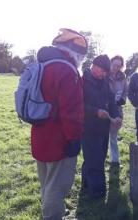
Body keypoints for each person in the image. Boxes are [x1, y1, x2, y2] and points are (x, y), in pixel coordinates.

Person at [31, 28, 88, 220]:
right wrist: (74, 139)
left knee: (46, 182)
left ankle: (50, 212)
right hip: (59, 138)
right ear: (75, 52)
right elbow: (71, 111)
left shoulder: (42, 64)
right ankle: (53, 216)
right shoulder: (66, 70)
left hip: (39, 133)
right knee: (57, 186)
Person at [81, 54, 121, 200]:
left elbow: (111, 102)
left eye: (106, 72)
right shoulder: (82, 80)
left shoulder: (104, 82)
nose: (104, 75)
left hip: (103, 129)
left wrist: (116, 116)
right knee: (95, 161)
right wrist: (95, 111)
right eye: (102, 71)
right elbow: (78, 105)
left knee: (96, 158)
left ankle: (86, 185)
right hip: (88, 128)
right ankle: (98, 195)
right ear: (94, 66)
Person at [108, 55, 128, 164]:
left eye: (118, 66)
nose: (116, 67)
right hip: (106, 109)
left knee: (113, 136)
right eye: (114, 65)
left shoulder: (123, 77)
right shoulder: (105, 75)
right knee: (102, 137)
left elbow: (125, 91)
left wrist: (123, 100)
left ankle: (114, 160)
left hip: (117, 110)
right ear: (110, 63)